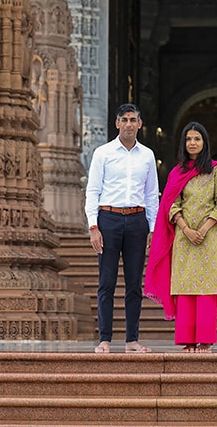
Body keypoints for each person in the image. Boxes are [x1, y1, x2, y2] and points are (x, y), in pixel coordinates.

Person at [145, 122, 217, 353]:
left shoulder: (216, 170)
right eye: (189, 139)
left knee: (207, 288)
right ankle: (187, 340)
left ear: (204, 143)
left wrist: (203, 230)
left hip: (210, 238)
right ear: (184, 144)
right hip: (184, 237)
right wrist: (186, 229)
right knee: (186, 288)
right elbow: (171, 204)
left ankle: (205, 340)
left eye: (197, 139)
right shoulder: (178, 172)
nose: (192, 143)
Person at [85, 103, 159, 353]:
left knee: (134, 284)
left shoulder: (147, 155)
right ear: (117, 123)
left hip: (137, 221)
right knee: (106, 282)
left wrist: (153, 227)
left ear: (140, 124)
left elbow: (151, 195)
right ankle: (104, 339)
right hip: (108, 219)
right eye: (124, 119)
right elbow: (93, 191)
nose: (129, 124)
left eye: (133, 119)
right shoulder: (103, 153)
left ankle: (132, 340)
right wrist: (93, 226)